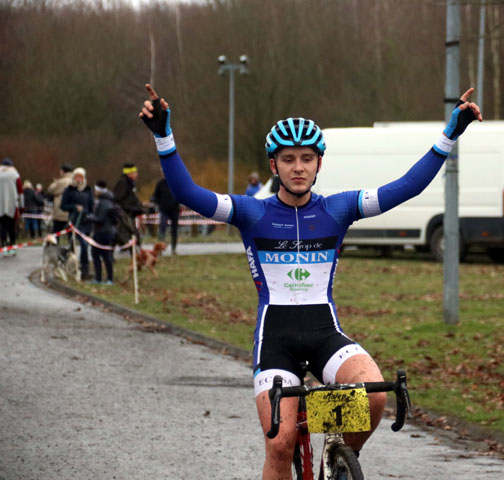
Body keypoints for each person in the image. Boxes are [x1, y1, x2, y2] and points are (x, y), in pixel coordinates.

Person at [139, 83, 482, 479]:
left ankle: (333, 456)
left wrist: (450, 134)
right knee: (280, 444)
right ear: (274, 166)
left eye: (306, 158)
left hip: (324, 333)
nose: (298, 167)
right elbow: (187, 193)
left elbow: (407, 187)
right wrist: (163, 135)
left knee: (372, 396)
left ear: (319, 164)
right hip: (276, 341)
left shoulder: (339, 209)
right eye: (288, 159)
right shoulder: (251, 212)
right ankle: (304, 438)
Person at [61, 167, 94, 280]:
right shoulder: (69, 190)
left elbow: (91, 206)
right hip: (74, 222)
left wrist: (88, 213)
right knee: (73, 247)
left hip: (86, 223)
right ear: (74, 177)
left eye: (81, 177)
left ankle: (85, 269)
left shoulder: (88, 190)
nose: (79, 179)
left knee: (85, 246)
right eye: (77, 176)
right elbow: (63, 205)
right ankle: (71, 268)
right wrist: (74, 207)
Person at [87, 180, 117, 285]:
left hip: (102, 232)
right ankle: (103, 278)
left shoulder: (104, 202)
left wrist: (90, 218)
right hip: (106, 231)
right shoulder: (107, 200)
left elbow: (101, 218)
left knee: (99, 255)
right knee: (104, 255)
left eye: (96, 190)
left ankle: (104, 278)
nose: (95, 192)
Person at [113, 162, 145, 247]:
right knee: (130, 232)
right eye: (135, 173)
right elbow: (118, 199)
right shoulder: (123, 183)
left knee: (134, 232)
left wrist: (139, 207)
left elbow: (133, 198)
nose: (136, 175)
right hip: (124, 213)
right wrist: (130, 208)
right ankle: (131, 249)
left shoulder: (131, 184)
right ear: (129, 173)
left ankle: (136, 250)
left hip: (130, 212)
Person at [151, 176, 180, 255]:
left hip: (175, 210)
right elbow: (155, 195)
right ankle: (160, 249)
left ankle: (174, 249)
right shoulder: (160, 184)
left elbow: (181, 194)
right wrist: (155, 201)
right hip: (164, 210)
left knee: (174, 230)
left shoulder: (176, 183)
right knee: (162, 227)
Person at [0, 158, 23, 257]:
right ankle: (12, 246)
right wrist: (22, 206)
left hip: (0, 205)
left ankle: (4, 246)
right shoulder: (15, 175)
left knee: (2, 227)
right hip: (12, 205)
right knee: (12, 227)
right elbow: (20, 192)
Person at [47, 164, 74, 238]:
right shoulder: (75, 181)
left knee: (56, 232)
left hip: (60, 211)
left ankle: (55, 248)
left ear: (62, 171)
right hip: (72, 211)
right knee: (71, 234)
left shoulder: (61, 181)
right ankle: (72, 248)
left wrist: (56, 181)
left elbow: (51, 190)